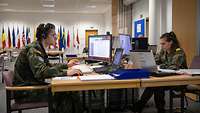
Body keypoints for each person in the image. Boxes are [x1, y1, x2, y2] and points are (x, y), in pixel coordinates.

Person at [13, 23, 83, 113]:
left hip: (31, 86)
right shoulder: (34, 49)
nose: (56, 37)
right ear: (44, 36)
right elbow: (41, 72)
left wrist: (67, 66)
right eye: (53, 35)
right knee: (66, 91)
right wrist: (66, 73)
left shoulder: (39, 47)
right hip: (25, 92)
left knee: (67, 90)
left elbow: (48, 66)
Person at [133, 31, 188, 113]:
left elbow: (174, 67)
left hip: (179, 80)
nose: (161, 46)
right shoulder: (163, 51)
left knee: (157, 85)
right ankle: (156, 109)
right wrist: (145, 63)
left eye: (163, 43)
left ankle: (142, 106)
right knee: (155, 84)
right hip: (166, 78)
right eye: (161, 44)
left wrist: (161, 65)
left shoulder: (178, 52)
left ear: (171, 42)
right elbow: (154, 61)